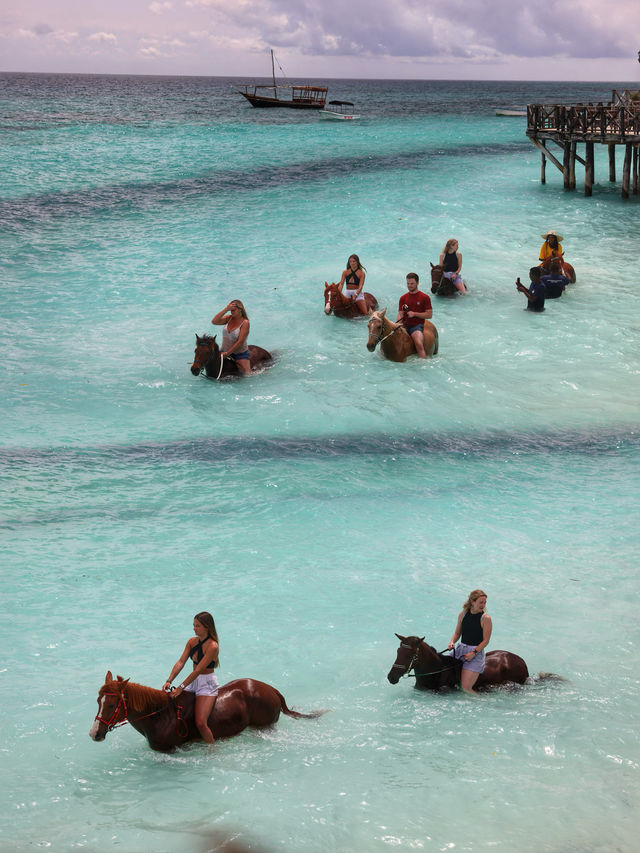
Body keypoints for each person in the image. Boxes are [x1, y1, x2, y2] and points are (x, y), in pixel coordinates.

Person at [163, 611, 220, 744]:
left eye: (197, 626)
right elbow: (181, 662)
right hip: (193, 681)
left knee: (200, 723)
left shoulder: (213, 646)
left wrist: (181, 688)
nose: (194, 628)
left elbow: (199, 670)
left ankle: (212, 751)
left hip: (207, 684)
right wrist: (169, 680)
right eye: (193, 625)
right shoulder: (191, 642)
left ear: (207, 627)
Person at [448, 589, 492, 694]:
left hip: (475, 654)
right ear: (472, 602)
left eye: (485, 602)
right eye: (480, 602)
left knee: (465, 689)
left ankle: (484, 703)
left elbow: (486, 641)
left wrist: (473, 653)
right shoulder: (462, 614)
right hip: (460, 649)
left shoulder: (485, 618)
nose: (483, 605)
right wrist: (452, 642)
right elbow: (457, 633)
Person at [396, 272, 433, 358]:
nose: (409, 285)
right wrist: (398, 324)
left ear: (417, 283)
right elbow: (400, 313)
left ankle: (422, 363)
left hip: (416, 326)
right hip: (404, 326)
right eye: (408, 283)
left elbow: (429, 315)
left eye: (412, 283)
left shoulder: (424, 297)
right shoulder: (403, 298)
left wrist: (414, 314)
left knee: (419, 343)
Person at [211, 300, 251, 374]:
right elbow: (214, 321)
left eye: (233, 310)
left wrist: (227, 353)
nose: (232, 312)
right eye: (230, 310)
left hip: (239, 354)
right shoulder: (228, 318)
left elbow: (240, 341)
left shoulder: (245, 323)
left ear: (240, 310)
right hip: (224, 351)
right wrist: (226, 309)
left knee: (247, 375)